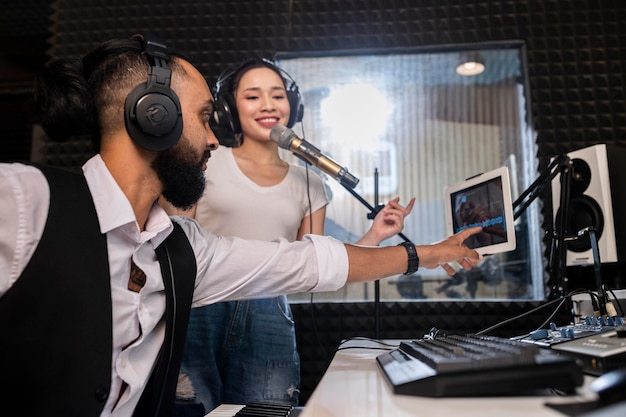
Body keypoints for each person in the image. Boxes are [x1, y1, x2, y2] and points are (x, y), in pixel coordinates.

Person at [0, 34, 482, 417]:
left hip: (265, 315)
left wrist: (431, 252)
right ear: (154, 117)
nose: (213, 137)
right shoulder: (25, 200)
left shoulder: (185, 252)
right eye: (206, 116)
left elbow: (308, 260)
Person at [168, 58, 416, 415]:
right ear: (229, 108)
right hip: (201, 306)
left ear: (292, 106)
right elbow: (180, 243)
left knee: (268, 411)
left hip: (270, 311)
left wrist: (375, 235)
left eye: (278, 95)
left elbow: (315, 264)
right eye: (253, 96)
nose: (268, 105)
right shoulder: (208, 159)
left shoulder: (310, 182)